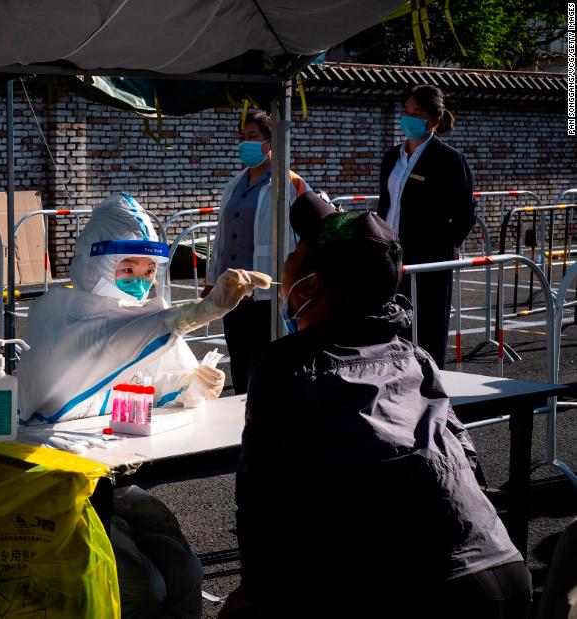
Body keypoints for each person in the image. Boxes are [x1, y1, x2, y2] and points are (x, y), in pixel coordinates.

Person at [221, 192, 529, 619]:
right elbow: (466, 457)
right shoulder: (413, 356)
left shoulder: (287, 363)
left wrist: (253, 588)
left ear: (310, 286)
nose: (286, 261)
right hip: (500, 562)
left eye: (296, 252)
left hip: (420, 587)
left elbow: (260, 494)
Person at [18, 192, 270, 618]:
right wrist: (201, 311)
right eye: (127, 268)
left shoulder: (140, 316)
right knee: (142, 588)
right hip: (52, 481)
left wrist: (194, 385)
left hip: (113, 474)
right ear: (95, 264)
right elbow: (109, 341)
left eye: (149, 270)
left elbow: (160, 381)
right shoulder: (59, 315)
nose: (140, 278)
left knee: (185, 570)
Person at [202, 110, 310, 394]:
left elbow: (307, 231)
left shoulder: (288, 182)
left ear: (270, 142)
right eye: (242, 138)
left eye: (252, 137)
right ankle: (242, 418)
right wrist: (212, 280)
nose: (245, 144)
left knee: (268, 360)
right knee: (239, 359)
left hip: (268, 291)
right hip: (233, 289)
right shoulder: (235, 184)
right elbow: (223, 236)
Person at [378, 84, 476, 369]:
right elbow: (386, 204)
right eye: (406, 112)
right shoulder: (392, 157)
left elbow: (464, 214)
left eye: (417, 113)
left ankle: (431, 394)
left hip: (428, 262)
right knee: (390, 327)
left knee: (426, 333)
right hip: (390, 258)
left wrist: (441, 246)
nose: (408, 118)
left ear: (434, 120)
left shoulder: (448, 160)